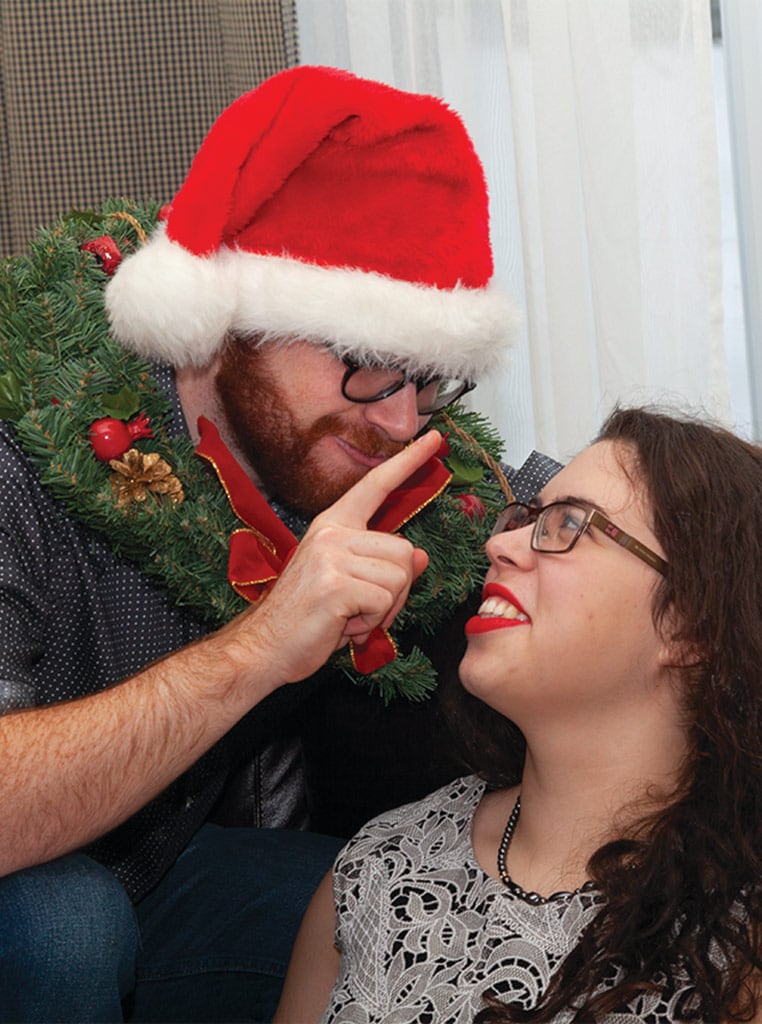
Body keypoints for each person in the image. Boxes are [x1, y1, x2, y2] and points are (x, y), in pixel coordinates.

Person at [0, 65, 560, 1022]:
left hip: (173, 873)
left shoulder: (355, 445)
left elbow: (575, 509)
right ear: (230, 322)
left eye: (429, 380)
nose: (398, 419)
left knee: (400, 896)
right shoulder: (28, 451)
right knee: (64, 921)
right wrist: (263, 647)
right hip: (39, 882)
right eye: (369, 362)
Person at [274, 405, 762, 1024]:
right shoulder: (378, 866)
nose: (498, 545)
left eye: (567, 524)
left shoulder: (741, 938)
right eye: (522, 519)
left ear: (690, 624)